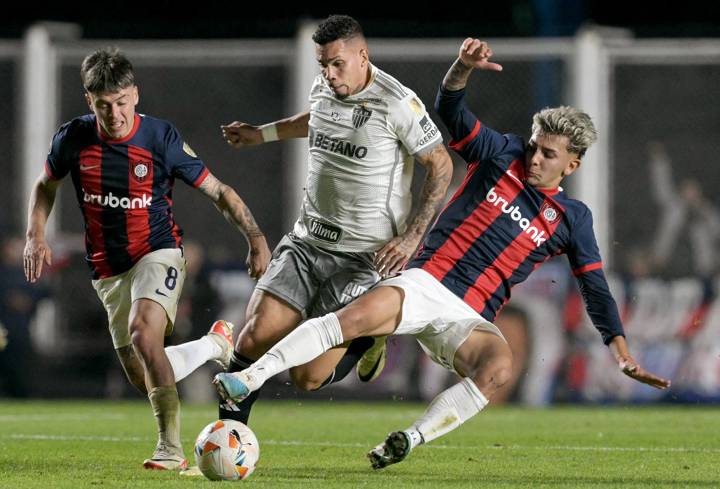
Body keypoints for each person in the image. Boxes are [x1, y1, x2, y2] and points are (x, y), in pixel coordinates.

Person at [213, 38, 672, 469]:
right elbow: (448, 111)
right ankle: (249, 379)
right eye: (534, 146)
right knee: (315, 370)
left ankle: (407, 440)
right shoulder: (502, 153)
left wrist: (621, 351)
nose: (534, 158)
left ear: (571, 164)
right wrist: (462, 68)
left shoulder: (573, 218)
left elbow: (594, 287)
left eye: (548, 155)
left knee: (499, 368)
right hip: (424, 281)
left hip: (468, 316)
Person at [23, 47, 271, 471]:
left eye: (121, 102)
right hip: (107, 270)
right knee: (144, 373)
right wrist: (34, 235)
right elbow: (46, 185)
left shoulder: (160, 138)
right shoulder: (73, 138)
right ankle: (214, 344)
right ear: (90, 101)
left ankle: (169, 449)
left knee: (143, 334)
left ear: (135, 95)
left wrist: (255, 237)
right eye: (104, 105)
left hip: (158, 254)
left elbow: (220, 192)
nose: (115, 114)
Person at [214, 15, 453, 424]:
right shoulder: (324, 85)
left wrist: (413, 237)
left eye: (337, 63)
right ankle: (225, 439)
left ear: (363, 56)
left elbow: (442, 165)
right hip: (307, 242)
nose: (328, 73)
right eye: (322, 63)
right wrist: (262, 134)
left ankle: (369, 338)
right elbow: (316, 119)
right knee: (253, 336)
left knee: (306, 377)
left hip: (364, 256)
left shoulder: (396, 102)